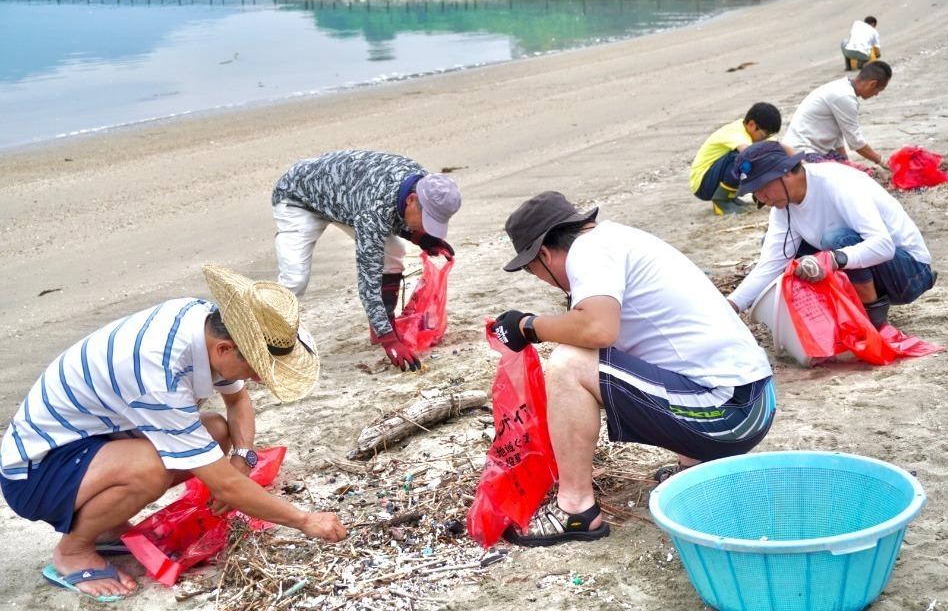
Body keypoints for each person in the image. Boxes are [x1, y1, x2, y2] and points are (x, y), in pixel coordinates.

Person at [0, 266, 348, 602]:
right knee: (151, 469)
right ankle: (72, 551)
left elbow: (237, 399)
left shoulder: (205, 322)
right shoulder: (158, 372)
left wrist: (243, 458)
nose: (258, 379)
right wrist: (304, 520)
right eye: (257, 368)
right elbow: (224, 484)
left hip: (96, 438)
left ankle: (104, 525)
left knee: (214, 432)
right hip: (37, 470)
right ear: (224, 350)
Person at [490, 192, 775, 547]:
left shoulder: (588, 252)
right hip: (751, 401)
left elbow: (597, 330)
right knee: (607, 355)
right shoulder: (617, 238)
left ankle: (576, 509)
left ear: (543, 254)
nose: (543, 279)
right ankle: (695, 469)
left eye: (534, 271)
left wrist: (527, 326)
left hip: (730, 414)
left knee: (567, 364)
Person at [272, 150, 462, 372]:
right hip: (298, 198)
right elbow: (368, 285)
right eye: (426, 221)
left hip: (344, 198)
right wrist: (389, 341)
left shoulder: (423, 183)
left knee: (392, 253)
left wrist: (421, 238)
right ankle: (266, 338)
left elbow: (394, 215)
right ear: (412, 200)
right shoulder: (374, 210)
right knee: (295, 280)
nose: (427, 227)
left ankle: (381, 324)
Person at [726, 142, 936, 328]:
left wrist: (832, 259)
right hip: (871, 268)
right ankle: (843, 312)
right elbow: (769, 265)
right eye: (754, 192)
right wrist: (730, 306)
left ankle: (875, 322)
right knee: (786, 252)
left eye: (762, 187)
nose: (760, 197)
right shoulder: (783, 208)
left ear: (787, 172)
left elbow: (883, 246)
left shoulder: (836, 182)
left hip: (910, 273)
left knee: (836, 239)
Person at [782, 61, 892, 169]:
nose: (876, 94)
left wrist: (847, 164)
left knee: (857, 172)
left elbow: (838, 138)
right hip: (802, 151)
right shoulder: (844, 97)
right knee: (844, 177)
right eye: (879, 90)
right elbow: (856, 142)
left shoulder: (842, 87)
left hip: (819, 149)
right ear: (872, 84)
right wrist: (882, 161)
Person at [689, 102, 782, 216]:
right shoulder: (736, 133)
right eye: (763, 135)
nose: (764, 139)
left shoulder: (751, 131)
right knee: (743, 158)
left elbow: (778, 147)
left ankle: (730, 198)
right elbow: (750, 153)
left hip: (714, 177)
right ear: (752, 125)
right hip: (703, 184)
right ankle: (721, 201)